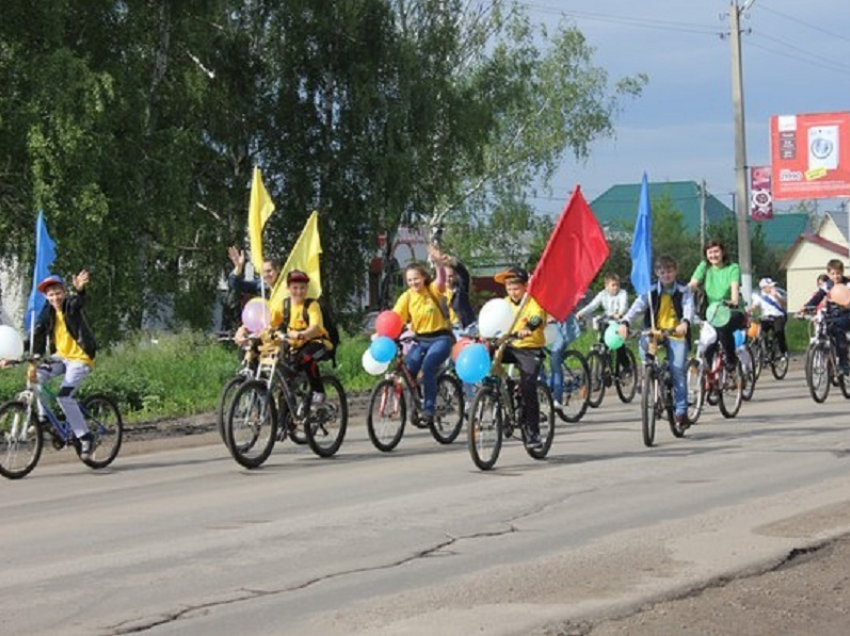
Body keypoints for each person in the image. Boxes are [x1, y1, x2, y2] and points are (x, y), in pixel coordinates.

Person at [25, 272, 97, 458]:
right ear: (46, 297)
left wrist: (80, 290)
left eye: (58, 293)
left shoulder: (70, 306)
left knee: (64, 397)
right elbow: (37, 337)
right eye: (51, 294)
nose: (55, 297)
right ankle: (44, 418)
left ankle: (86, 436)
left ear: (64, 292)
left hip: (80, 358)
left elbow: (79, 302)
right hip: (61, 357)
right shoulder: (47, 313)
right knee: (37, 376)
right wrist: (17, 355)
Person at [619, 255, 694, 427]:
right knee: (644, 346)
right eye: (662, 272)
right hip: (654, 332)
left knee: (677, 371)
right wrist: (625, 322)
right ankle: (649, 376)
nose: (666, 275)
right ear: (656, 273)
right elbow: (637, 307)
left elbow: (689, 308)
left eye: (669, 271)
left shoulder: (684, 289)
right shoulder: (650, 289)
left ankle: (681, 412)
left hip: (676, 333)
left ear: (675, 271)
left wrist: (685, 323)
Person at [392, 262, 454, 424]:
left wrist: (438, 263)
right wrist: (381, 334)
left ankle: (429, 407)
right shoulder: (407, 297)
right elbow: (395, 318)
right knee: (408, 369)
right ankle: (415, 402)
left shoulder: (433, 289)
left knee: (427, 368)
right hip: (420, 340)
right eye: (410, 280)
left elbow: (440, 280)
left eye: (416, 279)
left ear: (424, 277)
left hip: (441, 338)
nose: (413, 283)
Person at [494, 266, 547, 450]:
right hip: (509, 346)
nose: (512, 292)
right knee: (488, 356)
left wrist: (528, 330)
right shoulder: (504, 303)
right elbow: (494, 318)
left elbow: (536, 318)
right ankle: (499, 390)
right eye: (509, 288)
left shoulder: (532, 302)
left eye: (516, 288)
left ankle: (533, 432)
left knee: (528, 387)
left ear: (525, 287)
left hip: (529, 348)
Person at [689, 240, 745, 371]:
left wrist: (733, 300)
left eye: (716, 251)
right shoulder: (704, 267)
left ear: (723, 252)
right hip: (712, 313)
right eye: (710, 252)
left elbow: (734, 290)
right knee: (708, 343)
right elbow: (691, 285)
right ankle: (710, 379)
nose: (713, 255)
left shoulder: (733, 268)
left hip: (732, 311)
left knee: (723, 329)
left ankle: (731, 359)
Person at [800, 259, 850, 374]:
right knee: (824, 328)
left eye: (838, 273)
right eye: (832, 274)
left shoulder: (847, 284)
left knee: (837, 330)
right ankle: (827, 357)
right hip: (831, 315)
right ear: (828, 274)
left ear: (842, 272)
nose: (836, 276)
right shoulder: (827, 285)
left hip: (846, 316)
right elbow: (817, 298)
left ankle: (843, 363)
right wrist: (805, 308)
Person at [576, 273, 629, 368]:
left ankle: (626, 366)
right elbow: (592, 306)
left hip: (620, 322)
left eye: (617, 285)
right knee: (602, 342)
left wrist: (619, 314)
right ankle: (605, 368)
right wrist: (581, 313)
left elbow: (623, 306)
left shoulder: (622, 293)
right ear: (606, 286)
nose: (616, 288)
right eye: (613, 285)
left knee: (619, 345)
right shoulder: (602, 294)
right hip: (607, 321)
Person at [427, 244, 475, 329]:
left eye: (450, 276)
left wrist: (451, 261)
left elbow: (464, 274)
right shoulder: (437, 292)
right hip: (448, 329)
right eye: (445, 276)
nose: (447, 279)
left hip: (465, 327)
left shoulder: (461, 289)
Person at [547, 312, 581, 411]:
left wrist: (555, 316)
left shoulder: (560, 297)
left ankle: (557, 398)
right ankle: (545, 386)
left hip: (561, 328)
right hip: (543, 329)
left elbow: (566, 306)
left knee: (555, 357)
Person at [750, 277, 788, 358]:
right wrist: (749, 311)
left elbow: (783, 304)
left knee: (779, 333)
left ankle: (782, 352)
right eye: (769, 286)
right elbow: (754, 305)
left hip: (777, 316)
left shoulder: (776, 293)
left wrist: (776, 297)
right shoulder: (759, 296)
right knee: (762, 335)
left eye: (772, 286)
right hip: (766, 317)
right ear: (764, 288)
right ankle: (765, 352)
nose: (772, 288)